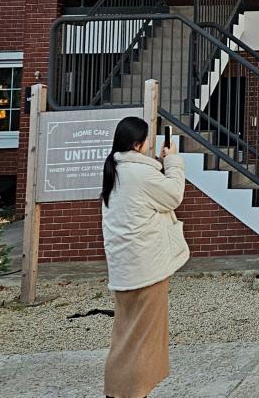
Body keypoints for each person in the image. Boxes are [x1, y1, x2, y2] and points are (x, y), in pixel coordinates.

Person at [100, 117, 189, 398]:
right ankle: (136, 392)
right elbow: (174, 195)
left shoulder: (114, 172)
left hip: (123, 269)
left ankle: (115, 391)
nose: (150, 143)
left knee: (125, 337)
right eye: (147, 139)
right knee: (144, 341)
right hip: (146, 268)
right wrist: (173, 161)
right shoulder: (140, 174)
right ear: (137, 144)